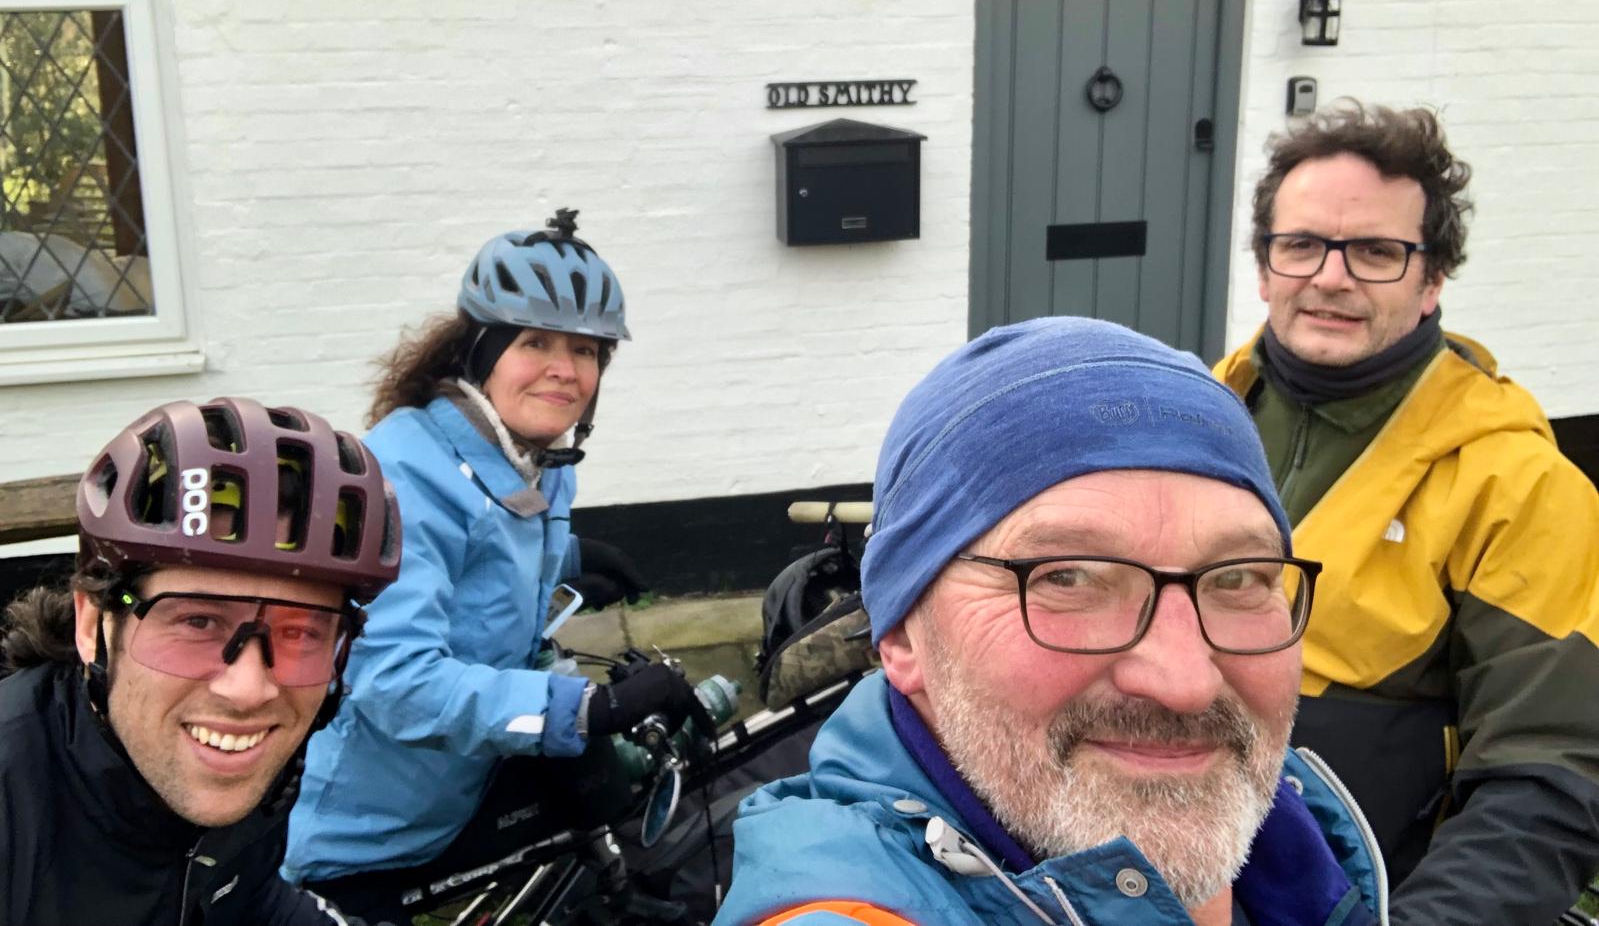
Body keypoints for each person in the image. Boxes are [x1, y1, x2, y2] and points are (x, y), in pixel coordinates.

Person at [714, 317, 1386, 926]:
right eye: (1067, 578)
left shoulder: (1306, 858)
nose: (1185, 683)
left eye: (1237, 578)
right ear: (901, 633)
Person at [1216, 101, 1599, 925]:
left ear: (1431, 282)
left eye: (1376, 253)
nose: (1330, 277)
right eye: (1301, 245)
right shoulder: (1196, 415)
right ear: (1264, 267)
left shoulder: (1517, 485)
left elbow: (1549, 773)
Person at [285, 208, 704, 918]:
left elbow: (475, 553)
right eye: (535, 342)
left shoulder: (539, 462)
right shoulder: (403, 475)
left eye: (585, 350)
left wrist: (565, 558)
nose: (564, 371)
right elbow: (396, 683)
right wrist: (588, 707)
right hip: (362, 834)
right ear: (481, 351)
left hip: (462, 784)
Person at [0, 396, 402, 926]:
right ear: (93, 625)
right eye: (197, 621)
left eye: (300, 632)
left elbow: (250, 897)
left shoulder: (247, 765)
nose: (250, 689)